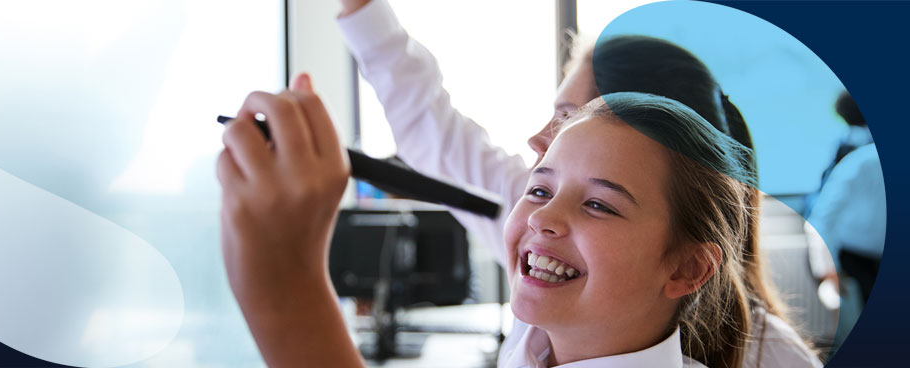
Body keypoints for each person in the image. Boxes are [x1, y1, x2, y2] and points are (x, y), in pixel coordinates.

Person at [335, 0, 817, 366]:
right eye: (540, 190)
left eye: (569, 117)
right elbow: (430, 128)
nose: (538, 138)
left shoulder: (770, 353)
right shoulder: (540, 218)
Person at [217, 90, 769, 367]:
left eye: (600, 205)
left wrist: (282, 280)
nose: (543, 218)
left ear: (687, 267)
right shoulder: (540, 342)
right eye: (539, 189)